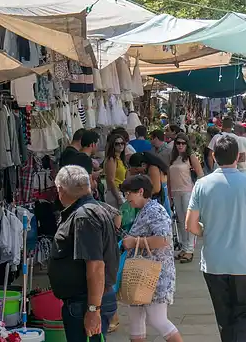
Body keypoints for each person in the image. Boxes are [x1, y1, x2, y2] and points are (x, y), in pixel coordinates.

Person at [186, 135, 246, 342]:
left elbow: (190, 225)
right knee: (245, 314)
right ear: (239, 156)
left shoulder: (202, 184)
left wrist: (207, 232)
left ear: (214, 156)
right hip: (243, 262)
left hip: (214, 262)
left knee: (224, 317)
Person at [49, 166, 118, 342]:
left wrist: (93, 310)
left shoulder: (84, 216)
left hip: (84, 302)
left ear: (61, 190)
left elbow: (95, 266)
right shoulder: (95, 208)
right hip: (86, 301)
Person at [120, 175, 182, 342]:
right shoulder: (144, 210)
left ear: (140, 192)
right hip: (142, 275)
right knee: (135, 320)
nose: (127, 199)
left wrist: (135, 242)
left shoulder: (154, 210)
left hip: (155, 275)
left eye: (128, 194)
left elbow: (164, 240)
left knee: (157, 319)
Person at [168, 133, 203, 263]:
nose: (180, 145)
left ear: (186, 144)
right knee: (181, 222)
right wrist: (169, 194)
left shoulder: (190, 157)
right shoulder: (173, 158)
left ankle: (189, 250)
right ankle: (184, 247)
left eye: (183, 143)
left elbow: (200, 174)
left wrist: (198, 192)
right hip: (176, 193)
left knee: (189, 222)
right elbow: (170, 178)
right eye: (178, 143)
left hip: (188, 191)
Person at [104, 133, 127, 208]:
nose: (120, 145)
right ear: (112, 146)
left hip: (121, 191)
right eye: (117, 144)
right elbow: (111, 180)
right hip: (115, 193)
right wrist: (118, 198)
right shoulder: (111, 159)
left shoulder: (120, 159)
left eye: (122, 143)